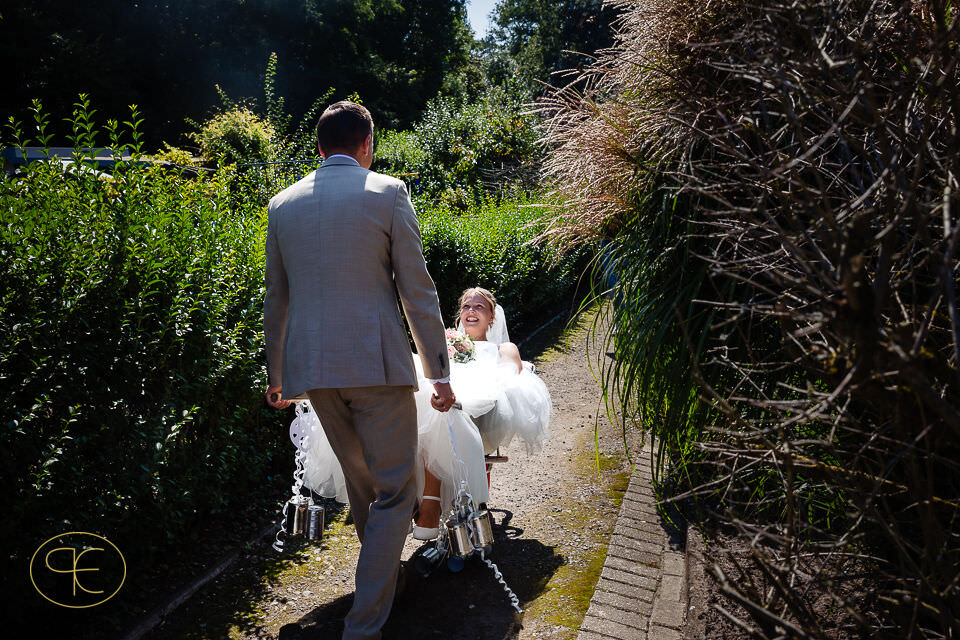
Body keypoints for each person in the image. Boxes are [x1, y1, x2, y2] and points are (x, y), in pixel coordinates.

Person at [263, 100, 456, 640]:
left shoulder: (282, 204)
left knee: (364, 486)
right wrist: (439, 374)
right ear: (367, 144)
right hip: (377, 366)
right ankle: (364, 624)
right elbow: (417, 290)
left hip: (315, 373)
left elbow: (276, 298)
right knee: (396, 492)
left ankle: (387, 584)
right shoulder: (389, 192)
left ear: (319, 147)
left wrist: (276, 374)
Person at [297, 287, 551, 539]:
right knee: (413, 392)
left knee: (441, 408)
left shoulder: (502, 348)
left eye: (479, 307)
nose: (471, 311)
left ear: (492, 317)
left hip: (477, 407)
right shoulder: (444, 342)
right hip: (438, 396)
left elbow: (509, 379)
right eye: (466, 306)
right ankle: (409, 498)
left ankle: (427, 503)